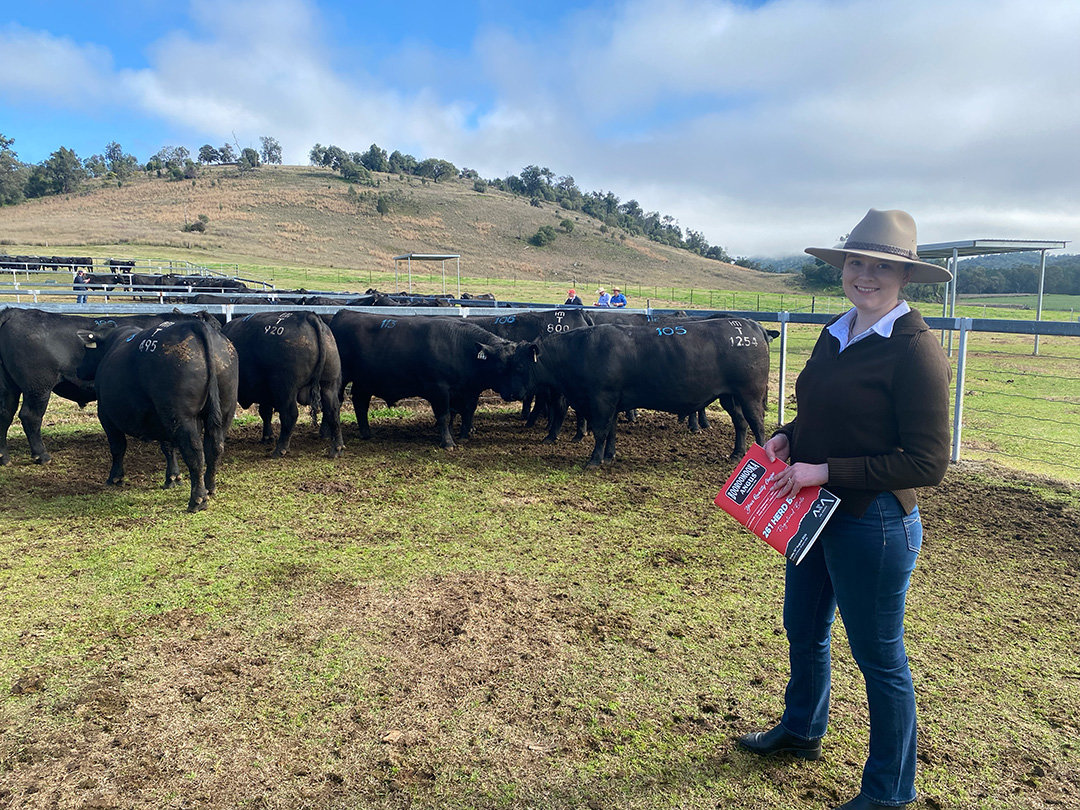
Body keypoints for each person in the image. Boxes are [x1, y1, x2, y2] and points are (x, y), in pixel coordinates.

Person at [736, 209, 952, 810]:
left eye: (883, 266)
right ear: (844, 268)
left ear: (904, 276)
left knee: (879, 658)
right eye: (858, 262)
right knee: (803, 628)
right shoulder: (838, 332)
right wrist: (788, 436)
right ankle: (802, 728)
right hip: (816, 513)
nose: (867, 275)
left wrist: (828, 470)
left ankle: (888, 792)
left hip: (874, 522)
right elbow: (826, 411)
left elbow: (927, 462)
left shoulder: (916, 351)